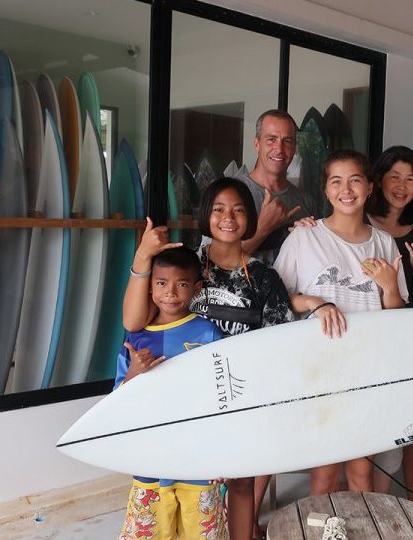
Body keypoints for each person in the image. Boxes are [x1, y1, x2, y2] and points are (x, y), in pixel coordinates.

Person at [124, 177, 293, 540]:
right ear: (206, 215)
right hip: (182, 402)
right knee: (184, 488)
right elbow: (135, 322)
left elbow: (280, 343)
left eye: (237, 210)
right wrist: (141, 257)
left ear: (250, 217)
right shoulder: (183, 265)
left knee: (241, 481)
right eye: (218, 209)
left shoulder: (264, 278)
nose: (228, 218)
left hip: (241, 395)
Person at [273, 149, 409, 494]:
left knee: (362, 472)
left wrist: (391, 286)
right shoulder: (304, 237)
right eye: (336, 181)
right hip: (319, 370)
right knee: (324, 472)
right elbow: (274, 300)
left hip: (368, 370)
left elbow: (396, 319)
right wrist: (315, 303)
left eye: (355, 180)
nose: (345, 189)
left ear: (370, 188)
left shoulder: (384, 242)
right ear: (326, 189)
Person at [116, 247, 226, 540]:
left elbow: (224, 399)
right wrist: (133, 374)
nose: (171, 292)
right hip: (150, 459)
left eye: (182, 284)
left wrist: (223, 453)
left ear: (197, 288)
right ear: (149, 286)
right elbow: (116, 402)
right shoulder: (136, 338)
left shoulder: (209, 334)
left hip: (198, 460)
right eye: (162, 283)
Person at [366, 145, 413, 501]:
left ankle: (408, 503)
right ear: (378, 180)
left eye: (410, 178)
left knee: (409, 424)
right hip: (361, 336)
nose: (401, 184)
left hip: (405, 341)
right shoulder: (358, 219)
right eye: (394, 176)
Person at [236, 109, 317, 265]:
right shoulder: (229, 193)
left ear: (294, 147)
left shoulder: (305, 201)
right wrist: (263, 228)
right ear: (257, 144)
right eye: (271, 139)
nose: (279, 149)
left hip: (291, 290)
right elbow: (211, 264)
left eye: (287, 141)